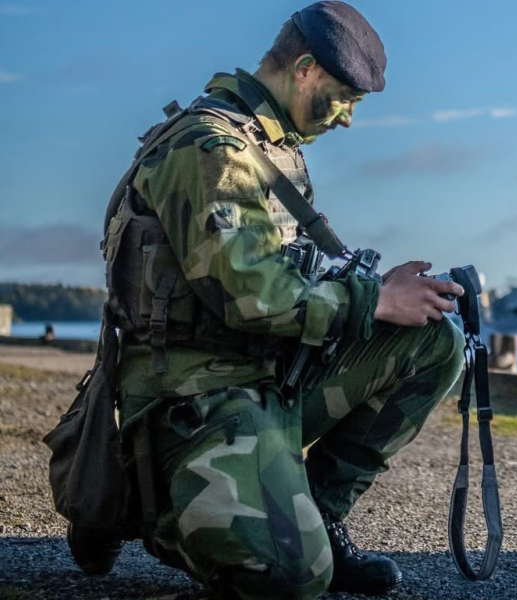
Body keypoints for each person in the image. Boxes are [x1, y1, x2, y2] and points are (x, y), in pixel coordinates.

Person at [72, 3, 465, 598]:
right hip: (195, 393)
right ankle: (132, 497)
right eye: (342, 98)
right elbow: (251, 294)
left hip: (266, 377)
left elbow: (279, 271)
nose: (348, 120)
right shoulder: (214, 151)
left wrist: (383, 295)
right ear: (304, 68)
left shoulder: (272, 144)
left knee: (434, 339)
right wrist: (374, 301)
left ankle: (320, 514)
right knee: (290, 576)